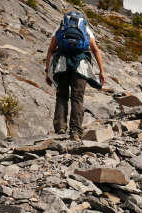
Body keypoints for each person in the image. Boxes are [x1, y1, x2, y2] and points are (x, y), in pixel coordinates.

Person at [45, 11, 106, 140]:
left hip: (62, 65)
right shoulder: (86, 29)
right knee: (77, 98)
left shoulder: (60, 28)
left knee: (61, 96)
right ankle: (76, 132)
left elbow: (51, 49)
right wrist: (102, 71)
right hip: (81, 66)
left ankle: (60, 128)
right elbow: (95, 49)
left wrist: (47, 71)